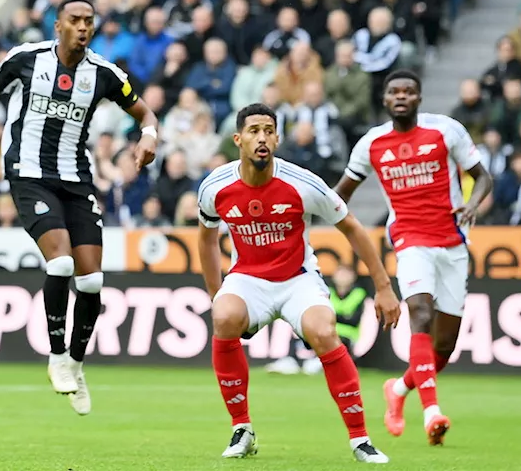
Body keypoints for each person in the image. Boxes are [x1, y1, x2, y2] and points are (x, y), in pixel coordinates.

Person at [0, 0, 160, 416]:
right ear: (58, 26)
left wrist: (150, 136)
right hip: (29, 175)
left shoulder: (104, 74)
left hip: (76, 179)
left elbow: (145, 113)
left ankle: (75, 364)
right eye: (74, 20)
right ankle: (55, 354)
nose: (83, 27)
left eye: (89, 20)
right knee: (62, 264)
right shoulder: (26, 59)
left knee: (92, 282)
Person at [197, 103, 399, 463]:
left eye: (269, 131)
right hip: (247, 279)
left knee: (323, 331)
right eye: (255, 131)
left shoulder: (302, 183)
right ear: (238, 139)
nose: (262, 138)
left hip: (297, 279)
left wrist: (383, 287)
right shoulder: (216, 186)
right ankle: (241, 428)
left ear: (278, 138)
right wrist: (216, 294)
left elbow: (351, 226)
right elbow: (206, 238)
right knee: (224, 317)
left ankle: (360, 439)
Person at [334, 69, 493, 446]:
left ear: (419, 99)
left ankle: (399, 390)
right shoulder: (371, 143)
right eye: (394, 92)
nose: (401, 96)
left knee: (444, 349)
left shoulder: (446, 131)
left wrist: (472, 204)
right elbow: (341, 193)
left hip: (453, 243)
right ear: (385, 100)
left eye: (408, 91)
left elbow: (483, 176)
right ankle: (432, 412)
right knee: (420, 312)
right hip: (409, 240)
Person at [264, 264, 369, 377]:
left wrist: (329, 315)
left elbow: (353, 320)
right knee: (300, 333)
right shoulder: (328, 291)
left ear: (352, 277)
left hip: (345, 338)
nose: (342, 277)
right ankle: (291, 360)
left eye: (346, 274)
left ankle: (320, 363)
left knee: (337, 342)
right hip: (323, 332)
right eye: (340, 273)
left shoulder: (358, 294)